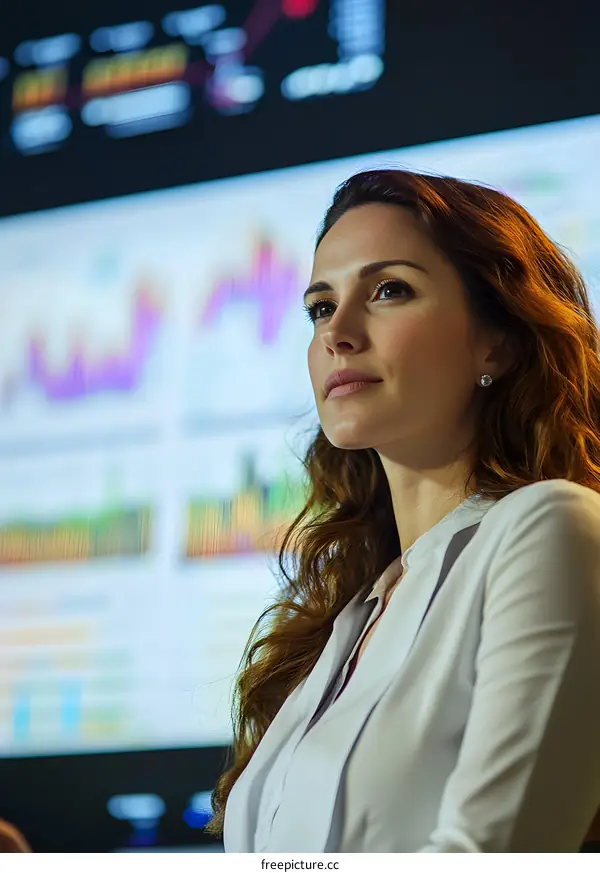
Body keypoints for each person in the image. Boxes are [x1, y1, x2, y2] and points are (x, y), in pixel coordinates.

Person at [205, 168, 600, 852]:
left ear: (498, 341)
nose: (338, 332)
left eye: (389, 290)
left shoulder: (552, 528)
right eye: (320, 307)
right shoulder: (353, 611)